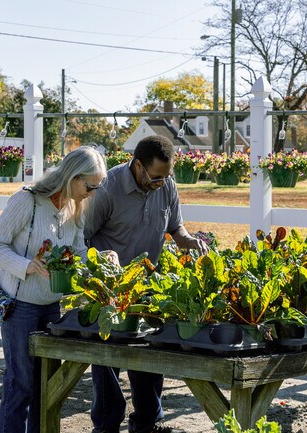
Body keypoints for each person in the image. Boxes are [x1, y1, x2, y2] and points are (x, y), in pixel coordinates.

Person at [84, 135, 208, 433]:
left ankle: (147, 422)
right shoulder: (109, 187)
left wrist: (188, 240)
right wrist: (101, 263)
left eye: (167, 177)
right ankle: (106, 424)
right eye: (155, 177)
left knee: (151, 352)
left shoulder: (166, 185)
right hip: (109, 286)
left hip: (147, 284)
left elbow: (175, 226)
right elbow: (83, 234)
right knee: (107, 357)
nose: (162, 183)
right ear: (138, 166)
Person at [0, 146, 107, 433]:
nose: (92, 193)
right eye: (90, 186)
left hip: (53, 305)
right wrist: (25, 265)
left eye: (97, 187)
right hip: (20, 304)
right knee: (21, 382)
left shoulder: (75, 206)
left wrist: (100, 260)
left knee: (47, 385)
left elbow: (78, 250)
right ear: (73, 177)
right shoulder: (27, 201)